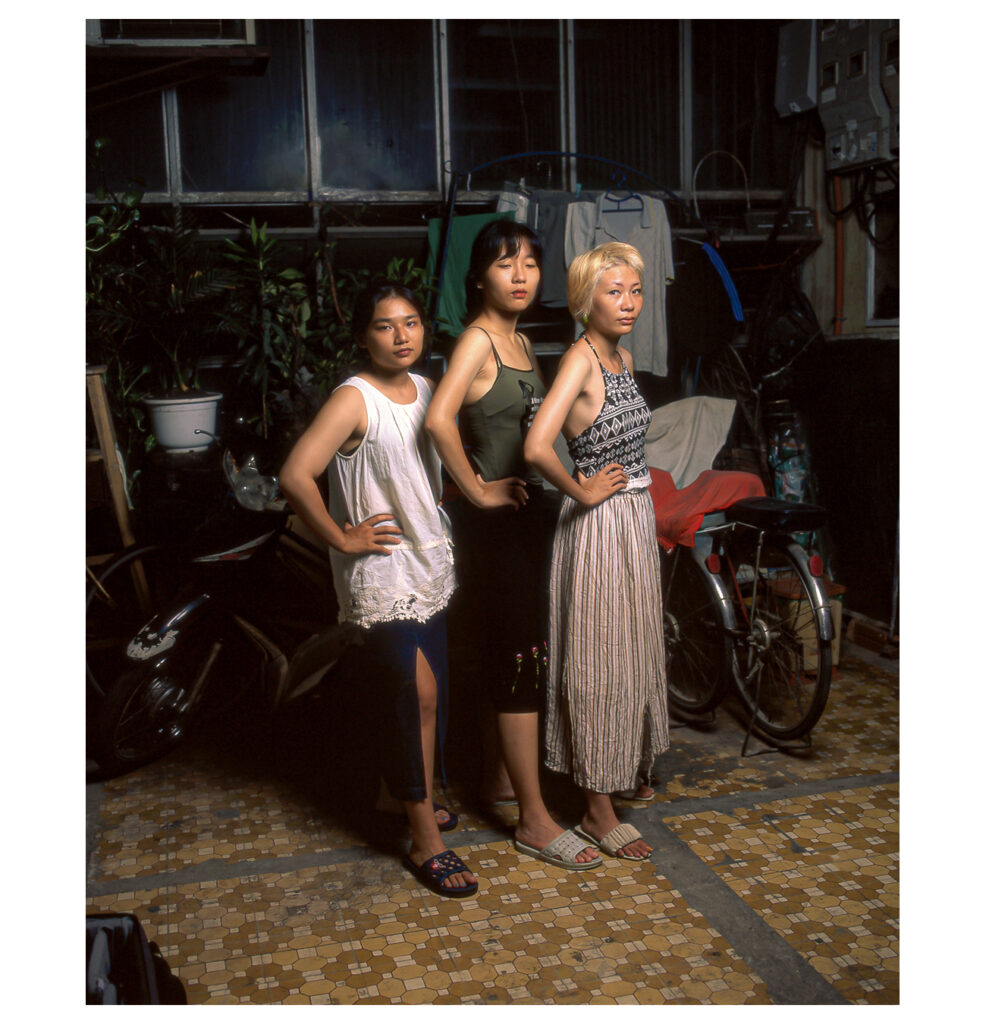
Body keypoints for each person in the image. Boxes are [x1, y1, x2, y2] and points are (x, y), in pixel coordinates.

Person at [278, 280, 478, 899]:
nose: (401, 336)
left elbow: (424, 467)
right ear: (364, 337)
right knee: (411, 693)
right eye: (386, 327)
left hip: (428, 563)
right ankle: (425, 837)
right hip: (383, 571)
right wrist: (341, 538)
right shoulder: (353, 399)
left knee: (427, 696)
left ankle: (397, 796)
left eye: (411, 323)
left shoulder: (426, 390)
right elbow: (295, 473)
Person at [425, 219, 600, 871]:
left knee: (526, 651)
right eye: (506, 264)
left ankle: (504, 782)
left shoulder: (523, 341)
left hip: (533, 522)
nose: (522, 274)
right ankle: (531, 819)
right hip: (497, 531)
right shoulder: (477, 341)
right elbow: (440, 418)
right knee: (518, 654)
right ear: (479, 278)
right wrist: (477, 491)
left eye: (530, 262)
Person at [523, 241, 669, 861]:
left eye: (635, 290)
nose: (629, 302)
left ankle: (622, 764)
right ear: (586, 300)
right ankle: (595, 807)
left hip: (634, 519)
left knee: (631, 644)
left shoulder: (622, 357)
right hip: (599, 526)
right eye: (615, 291)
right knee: (597, 656)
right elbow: (535, 446)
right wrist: (582, 490)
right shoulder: (580, 361)